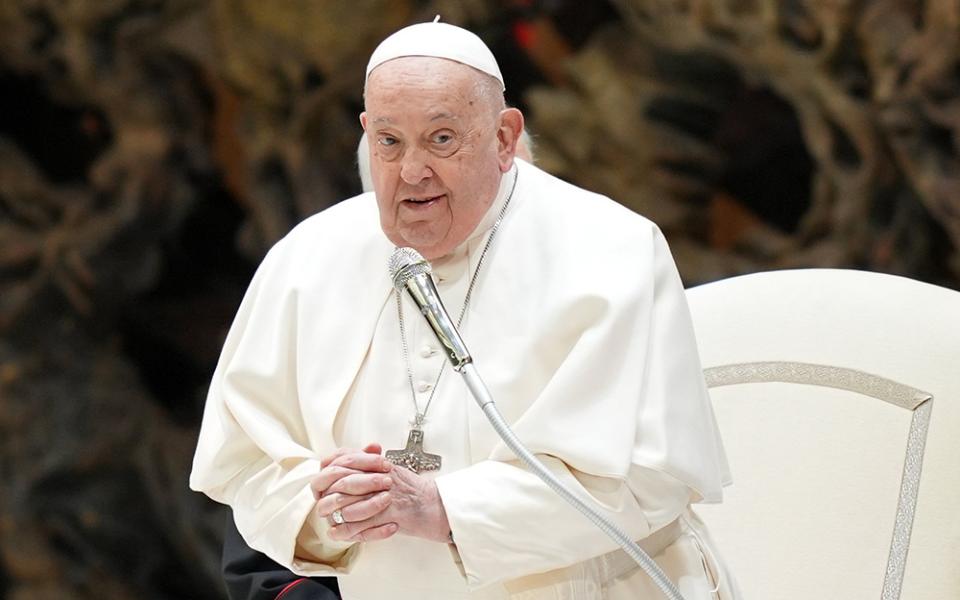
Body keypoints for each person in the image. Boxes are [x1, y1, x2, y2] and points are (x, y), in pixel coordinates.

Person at [191, 20, 738, 599]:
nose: (412, 172)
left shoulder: (614, 250)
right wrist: (325, 510)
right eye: (389, 141)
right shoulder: (306, 258)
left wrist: (443, 508)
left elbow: (649, 476)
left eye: (442, 138)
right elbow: (243, 458)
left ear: (504, 138)